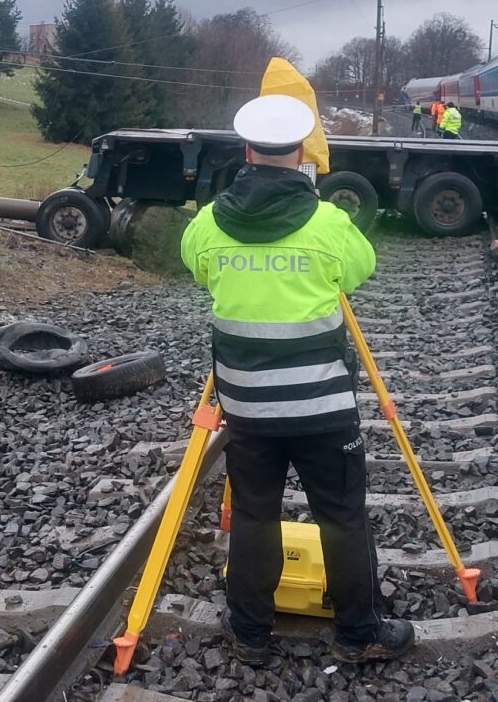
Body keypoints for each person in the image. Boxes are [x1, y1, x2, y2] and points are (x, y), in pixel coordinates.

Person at [180, 94, 415, 665]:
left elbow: (200, 272)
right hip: (323, 409)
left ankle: (250, 634)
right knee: (341, 515)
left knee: (256, 515)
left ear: (247, 150)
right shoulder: (330, 223)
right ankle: (359, 634)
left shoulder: (209, 222)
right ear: (303, 152)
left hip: (247, 408)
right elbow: (359, 272)